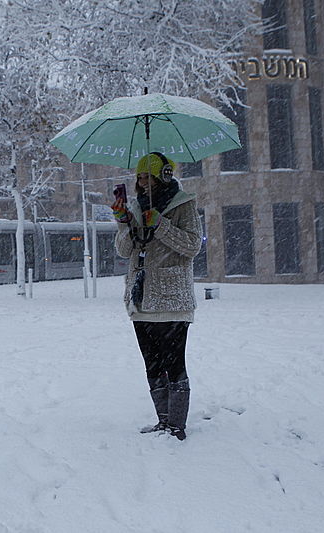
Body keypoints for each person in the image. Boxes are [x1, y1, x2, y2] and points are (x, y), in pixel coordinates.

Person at [111, 152, 202, 440]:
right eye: (139, 177)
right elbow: (124, 251)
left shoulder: (183, 204)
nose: (143, 183)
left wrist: (161, 225)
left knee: (174, 364)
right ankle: (162, 420)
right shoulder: (136, 207)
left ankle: (177, 425)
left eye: (148, 176)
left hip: (172, 300)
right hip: (141, 298)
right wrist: (124, 221)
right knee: (152, 363)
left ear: (164, 175)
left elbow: (192, 245)